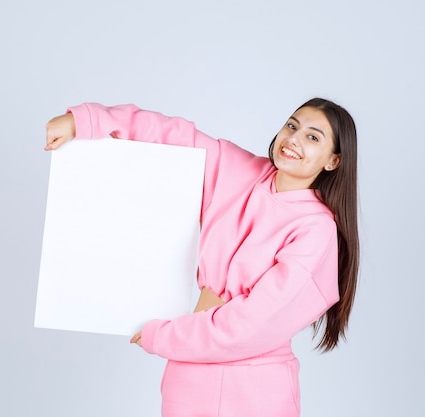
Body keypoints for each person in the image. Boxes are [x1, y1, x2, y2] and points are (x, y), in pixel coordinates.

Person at [44, 98, 359, 417]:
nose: (294, 139)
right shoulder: (240, 171)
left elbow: (251, 324)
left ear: (333, 161)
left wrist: (164, 336)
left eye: (313, 137)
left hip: (254, 384)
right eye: (292, 126)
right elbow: (173, 137)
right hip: (189, 373)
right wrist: (86, 121)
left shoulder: (316, 229)